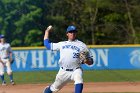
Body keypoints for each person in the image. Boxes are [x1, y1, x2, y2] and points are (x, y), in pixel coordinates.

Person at [43, 25, 93, 93]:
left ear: (76, 33)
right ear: (67, 34)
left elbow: (91, 62)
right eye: (70, 32)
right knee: (54, 88)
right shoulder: (62, 44)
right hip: (63, 71)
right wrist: (47, 31)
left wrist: (86, 60)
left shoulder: (82, 45)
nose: (72, 33)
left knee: (79, 79)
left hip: (76, 69)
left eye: (74, 32)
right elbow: (47, 45)